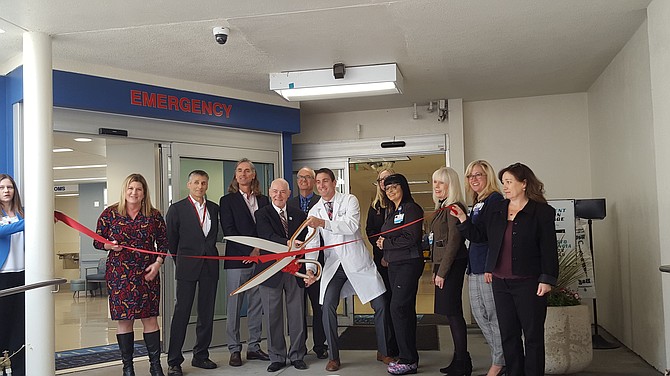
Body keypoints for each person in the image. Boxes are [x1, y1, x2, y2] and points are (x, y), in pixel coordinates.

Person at [451, 163, 558, 376]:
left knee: (533, 335)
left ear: (524, 183)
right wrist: (463, 220)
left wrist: (547, 279)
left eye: (509, 182)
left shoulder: (542, 212)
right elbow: (482, 237)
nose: (505, 187)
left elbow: (548, 248)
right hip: (501, 281)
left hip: (529, 281)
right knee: (508, 334)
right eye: (504, 182)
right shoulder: (498, 209)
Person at [303, 168, 389, 372]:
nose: (321, 185)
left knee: (380, 304)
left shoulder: (350, 200)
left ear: (334, 183)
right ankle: (333, 356)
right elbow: (312, 243)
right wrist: (310, 268)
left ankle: (384, 351)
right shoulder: (314, 211)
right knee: (327, 306)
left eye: (325, 181)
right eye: (318, 182)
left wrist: (323, 222)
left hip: (357, 262)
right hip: (335, 266)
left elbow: (351, 226)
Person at [93, 173, 167, 376]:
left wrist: (158, 264)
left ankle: (155, 365)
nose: (134, 193)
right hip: (119, 274)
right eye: (130, 188)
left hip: (147, 273)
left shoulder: (154, 215)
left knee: (150, 319)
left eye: (138, 189)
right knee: (124, 321)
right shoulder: (110, 214)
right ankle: (128, 367)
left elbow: (163, 243)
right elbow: (97, 240)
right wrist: (108, 245)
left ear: (144, 193)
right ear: (125, 191)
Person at [165, 170, 220, 376]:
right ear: (188, 185)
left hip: (209, 266)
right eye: (196, 182)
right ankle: (174, 360)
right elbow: (171, 240)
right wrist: (181, 261)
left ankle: (201, 355)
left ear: (207, 185)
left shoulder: (214, 208)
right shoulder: (177, 209)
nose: (200, 186)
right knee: (182, 312)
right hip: (187, 266)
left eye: (203, 183)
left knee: (206, 313)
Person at [219, 158, 270, 366]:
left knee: (256, 305)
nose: (243, 174)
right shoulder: (227, 201)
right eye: (239, 171)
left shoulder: (264, 200)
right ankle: (234, 349)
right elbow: (229, 231)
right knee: (234, 305)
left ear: (253, 174)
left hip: (260, 260)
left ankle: (254, 347)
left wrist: (259, 251)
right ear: (235, 175)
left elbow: (268, 228)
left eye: (247, 170)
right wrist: (249, 250)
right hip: (237, 260)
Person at [255, 178, 309, 372]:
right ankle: (277, 357)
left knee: (296, 314)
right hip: (271, 271)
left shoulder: (299, 213)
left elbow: (304, 240)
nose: (279, 195)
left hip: (295, 270)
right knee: (272, 315)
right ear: (270, 192)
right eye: (275, 191)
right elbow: (265, 237)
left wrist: (296, 247)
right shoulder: (262, 214)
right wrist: (289, 244)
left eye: (283, 192)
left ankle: (297, 355)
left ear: (288, 193)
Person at [375, 173, 424, 375]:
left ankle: (408, 359)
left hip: (408, 264)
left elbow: (411, 238)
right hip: (395, 265)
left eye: (395, 186)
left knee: (398, 307)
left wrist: (387, 244)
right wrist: (385, 250)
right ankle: (408, 356)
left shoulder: (411, 208)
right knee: (404, 309)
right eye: (387, 188)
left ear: (403, 187)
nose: (391, 190)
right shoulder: (392, 211)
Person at [464, 160, 505, 376]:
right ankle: (502, 357)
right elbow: (475, 236)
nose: (474, 179)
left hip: (487, 267)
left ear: (488, 176)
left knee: (493, 315)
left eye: (478, 175)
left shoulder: (495, 200)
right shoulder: (477, 202)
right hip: (475, 267)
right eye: (470, 176)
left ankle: (499, 363)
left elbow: (491, 237)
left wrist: (491, 266)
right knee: (480, 315)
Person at [430, 167, 470, 376]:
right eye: (435, 182)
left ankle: (463, 361)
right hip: (444, 264)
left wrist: (442, 272)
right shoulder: (443, 207)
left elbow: (454, 242)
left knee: (454, 313)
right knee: (451, 313)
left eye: (441, 183)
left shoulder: (454, 207)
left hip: (452, 265)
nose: (436, 187)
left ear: (451, 185)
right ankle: (460, 358)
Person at [287, 166, 328, 360]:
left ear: (314, 181)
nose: (303, 180)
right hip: (295, 262)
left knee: (318, 305)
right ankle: (299, 347)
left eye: (308, 177)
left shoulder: (321, 203)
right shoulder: (290, 203)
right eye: (300, 177)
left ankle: (320, 345)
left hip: (317, 260)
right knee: (298, 307)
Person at [365, 167, 399, 364]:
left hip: (399, 261)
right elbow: (370, 231)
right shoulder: (375, 206)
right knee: (384, 304)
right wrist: (383, 251)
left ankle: (400, 346)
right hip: (381, 262)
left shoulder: (401, 205)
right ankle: (386, 348)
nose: (384, 183)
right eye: (381, 180)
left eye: (388, 179)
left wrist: (390, 250)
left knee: (398, 305)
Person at [0, 174, 26, 376]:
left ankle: (20, 370)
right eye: (2, 188)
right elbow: (4, 232)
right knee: (3, 322)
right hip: (3, 276)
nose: (6, 191)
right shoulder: (26, 219)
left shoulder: (22, 213)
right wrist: (32, 222)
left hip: (23, 275)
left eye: (9, 187)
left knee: (21, 325)